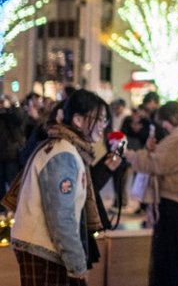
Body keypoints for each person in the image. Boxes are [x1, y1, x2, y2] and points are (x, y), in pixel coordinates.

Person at [11, 89, 109, 285]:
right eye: (98, 120)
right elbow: (61, 217)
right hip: (43, 249)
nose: (102, 127)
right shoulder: (64, 154)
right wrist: (77, 264)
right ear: (78, 120)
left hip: (41, 247)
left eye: (104, 121)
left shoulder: (65, 147)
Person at [128, 101, 178, 286]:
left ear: (172, 118)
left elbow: (158, 164)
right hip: (173, 200)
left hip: (169, 199)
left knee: (167, 254)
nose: (162, 126)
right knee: (172, 251)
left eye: (163, 122)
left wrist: (133, 156)